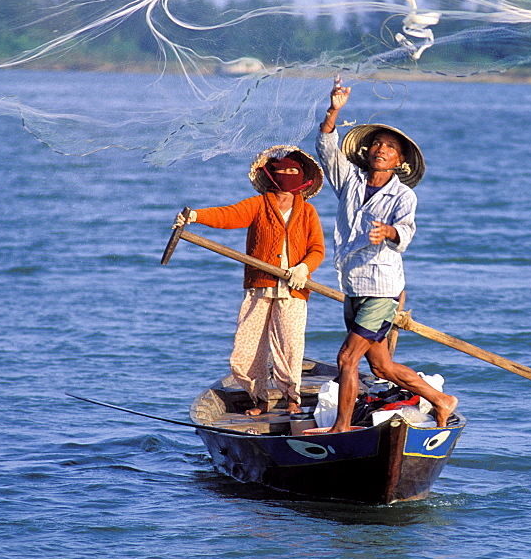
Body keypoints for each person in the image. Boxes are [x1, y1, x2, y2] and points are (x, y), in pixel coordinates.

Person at [316, 76, 457, 432]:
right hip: (353, 283)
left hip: (383, 288)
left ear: (399, 160)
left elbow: (406, 231)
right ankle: (441, 399)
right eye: (376, 144)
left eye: (389, 147)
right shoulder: (350, 180)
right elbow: (327, 148)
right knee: (381, 368)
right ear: (367, 152)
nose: (380, 149)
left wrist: (388, 231)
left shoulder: (402, 196)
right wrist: (334, 111)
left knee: (347, 358)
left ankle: (341, 428)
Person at [175, 146, 325, 416]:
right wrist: (195, 216)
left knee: (289, 346)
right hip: (260, 286)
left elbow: (317, 249)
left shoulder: (308, 212)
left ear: (303, 177)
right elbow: (228, 215)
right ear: (271, 174)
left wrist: (303, 268)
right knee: (248, 346)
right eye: (282, 170)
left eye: (294, 171)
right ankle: (260, 399)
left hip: (293, 289)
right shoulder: (258, 204)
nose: (287, 175)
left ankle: (293, 398)